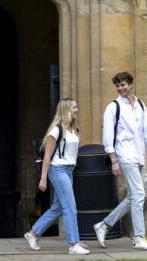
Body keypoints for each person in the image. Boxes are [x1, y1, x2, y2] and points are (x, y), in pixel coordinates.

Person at [93, 71, 147, 251]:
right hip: (124, 155)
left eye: (123, 85)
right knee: (139, 196)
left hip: (139, 155)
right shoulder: (113, 107)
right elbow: (108, 136)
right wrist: (114, 160)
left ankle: (104, 225)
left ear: (131, 85)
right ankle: (139, 237)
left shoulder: (140, 104)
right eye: (118, 86)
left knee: (133, 197)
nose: (120, 88)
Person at [24, 98, 89, 255]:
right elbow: (47, 156)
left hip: (68, 170)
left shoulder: (74, 129)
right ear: (66, 109)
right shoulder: (56, 130)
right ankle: (74, 244)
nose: (77, 110)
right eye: (74, 107)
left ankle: (33, 234)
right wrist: (43, 178)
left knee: (58, 207)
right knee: (70, 207)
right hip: (57, 170)